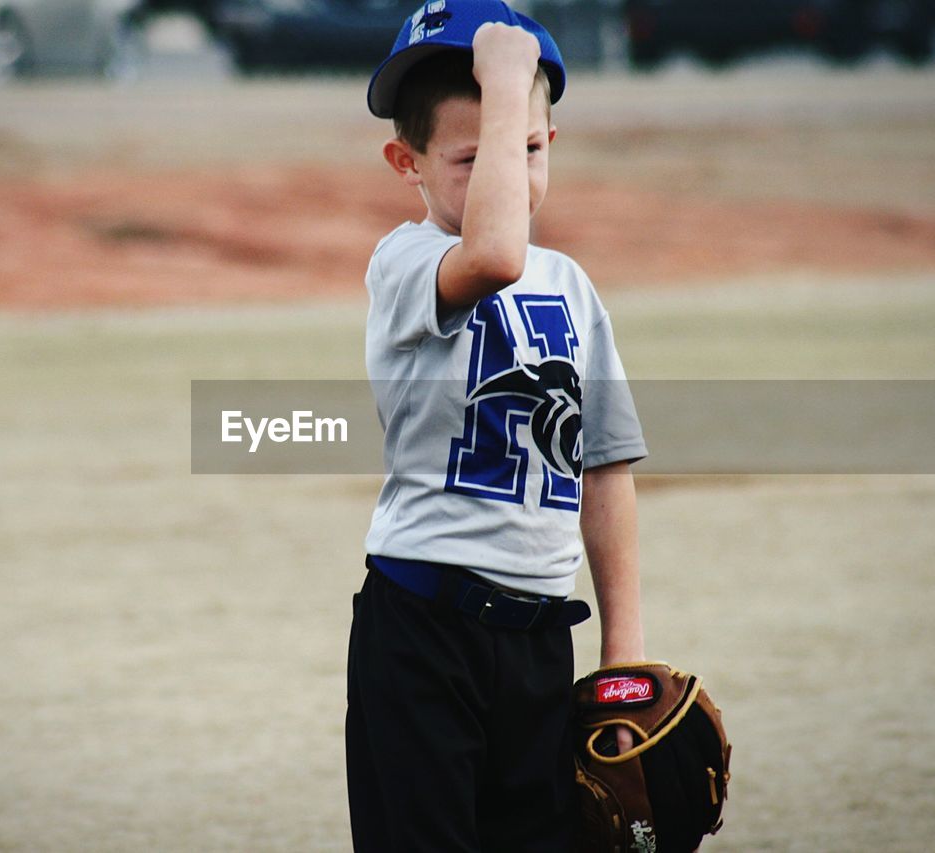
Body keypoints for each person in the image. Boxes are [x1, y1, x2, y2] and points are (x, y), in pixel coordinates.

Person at [347, 1, 649, 851]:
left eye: (525, 150)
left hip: (543, 642)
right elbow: (493, 254)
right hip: (422, 632)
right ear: (404, 162)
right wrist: (510, 84)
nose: (505, 177)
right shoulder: (404, 262)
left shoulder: (572, 288)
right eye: (476, 158)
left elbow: (606, 471)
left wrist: (622, 667)